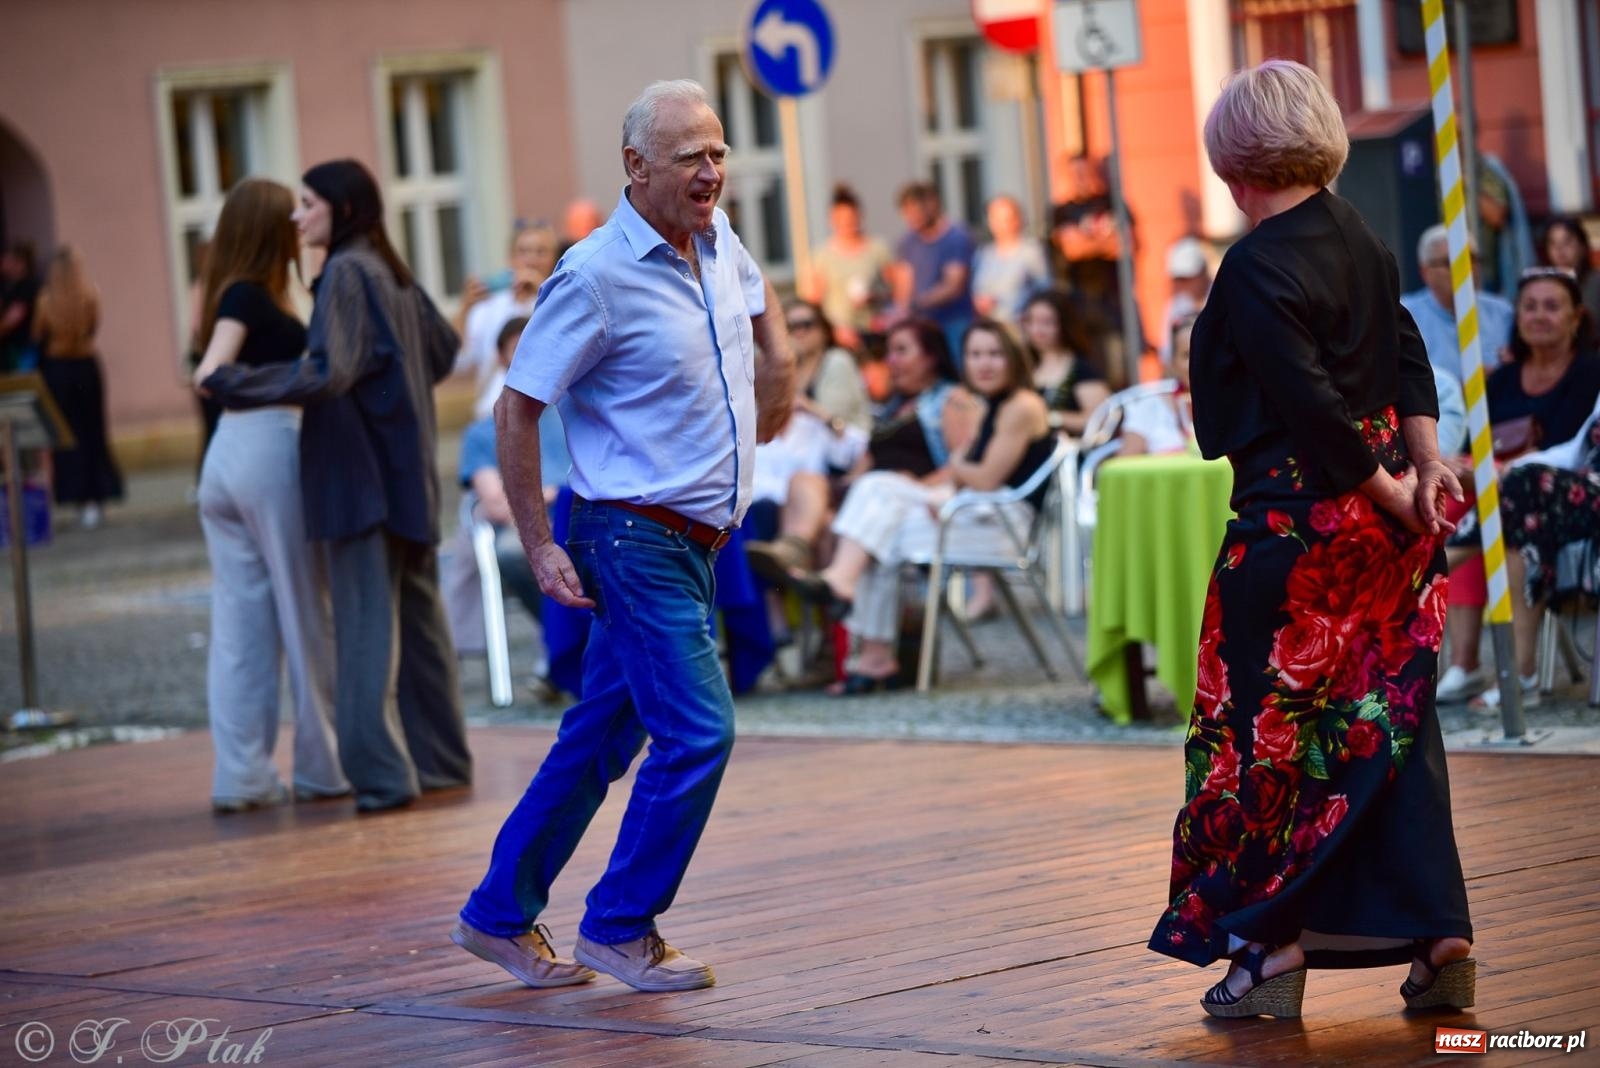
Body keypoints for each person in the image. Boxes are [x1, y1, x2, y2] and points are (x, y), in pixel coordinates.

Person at [453, 80, 795, 994]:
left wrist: (785, 368)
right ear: (636, 167)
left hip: (697, 544)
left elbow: (761, 309)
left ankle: (496, 913)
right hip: (629, 538)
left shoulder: (722, 243)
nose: (711, 170)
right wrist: (540, 543)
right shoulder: (596, 272)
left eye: (719, 151)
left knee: (600, 739)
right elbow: (518, 407)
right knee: (697, 731)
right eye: (690, 155)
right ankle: (619, 927)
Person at [1149, 59, 1474, 1020]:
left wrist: (1383, 487)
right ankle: (1443, 943)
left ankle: (1272, 957)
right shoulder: (1362, 234)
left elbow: (1311, 409)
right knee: (1396, 733)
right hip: (1387, 534)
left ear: (1232, 158)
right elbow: (1406, 352)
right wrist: (1421, 469)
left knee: (1271, 742)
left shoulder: (1255, 262)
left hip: (1297, 535)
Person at [202, 159, 471, 814]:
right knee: (419, 628)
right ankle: (441, 763)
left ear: (342, 212)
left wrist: (235, 384)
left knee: (362, 632)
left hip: (360, 480)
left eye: (310, 204)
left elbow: (327, 372)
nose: (298, 217)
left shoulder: (347, 273)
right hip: (406, 474)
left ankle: (379, 778)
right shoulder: (391, 270)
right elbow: (442, 351)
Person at [188, 178, 347, 813]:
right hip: (267, 449)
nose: (298, 222)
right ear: (268, 229)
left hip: (226, 458)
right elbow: (209, 373)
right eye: (290, 215)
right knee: (305, 612)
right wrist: (303, 379)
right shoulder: (250, 296)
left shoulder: (242, 291)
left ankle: (242, 776)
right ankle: (322, 767)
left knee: (239, 627)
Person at [774, 319, 1007, 692]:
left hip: (930, 502)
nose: (892, 361)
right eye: (890, 352)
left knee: (872, 503)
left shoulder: (951, 399)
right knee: (843, 514)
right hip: (885, 505)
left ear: (931, 357)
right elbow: (860, 468)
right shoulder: (893, 406)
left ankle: (843, 612)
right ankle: (863, 654)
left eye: (902, 350)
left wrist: (910, 483)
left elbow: (961, 466)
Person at [1440, 267, 1600, 707]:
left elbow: (1572, 448)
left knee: (1515, 504)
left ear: (1575, 316)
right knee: (1459, 494)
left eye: (1552, 306)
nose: (1539, 316)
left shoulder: (1590, 371)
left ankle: (1434, 563)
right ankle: (1465, 663)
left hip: (1564, 496)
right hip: (1511, 492)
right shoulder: (1501, 378)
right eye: (1530, 306)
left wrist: (1499, 469)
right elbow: (1478, 445)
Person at [34, 246, 122, 528]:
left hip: (59, 369)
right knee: (93, 431)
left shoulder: (47, 301)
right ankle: (98, 495)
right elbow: (94, 326)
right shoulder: (89, 295)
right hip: (86, 366)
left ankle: (77, 497)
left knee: (67, 435)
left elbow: (38, 333)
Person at [454, 220, 560, 421]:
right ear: (511, 258)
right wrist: (465, 308)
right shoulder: (489, 306)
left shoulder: (559, 303)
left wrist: (542, 292)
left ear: (554, 259)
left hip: (547, 419)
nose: (531, 260)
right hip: (491, 416)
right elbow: (459, 361)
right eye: (524, 252)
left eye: (541, 252)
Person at [1400, 224, 1515, 389]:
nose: (1466, 269)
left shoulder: (1502, 312)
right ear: (1426, 272)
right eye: (1450, 262)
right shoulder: (1405, 314)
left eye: (1472, 259)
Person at [892, 181, 975, 359]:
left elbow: (953, 285)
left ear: (932, 204)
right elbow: (904, 282)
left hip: (954, 321)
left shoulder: (956, 237)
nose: (911, 218)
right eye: (907, 213)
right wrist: (901, 310)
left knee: (960, 365)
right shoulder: (908, 241)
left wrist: (917, 304)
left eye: (915, 211)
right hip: (922, 324)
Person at [803, 183, 891, 350]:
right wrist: (835, 329)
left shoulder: (877, 249)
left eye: (851, 218)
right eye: (841, 220)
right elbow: (813, 303)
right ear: (832, 220)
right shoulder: (821, 256)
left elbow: (894, 290)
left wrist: (876, 299)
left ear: (859, 216)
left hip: (873, 331)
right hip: (840, 336)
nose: (847, 224)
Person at [1020, 289, 1109, 437]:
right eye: (1031, 321)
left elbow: (1101, 419)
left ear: (1064, 324)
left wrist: (1053, 418)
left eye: (1047, 322)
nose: (1037, 330)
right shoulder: (1023, 366)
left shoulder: (1082, 369)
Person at [1119, 315, 1196, 457]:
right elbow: (1125, 462)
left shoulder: (1232, 403)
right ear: (1172, 363)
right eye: (1187, 355)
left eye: (1204, 352)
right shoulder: (1150, 406)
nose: (1196, 362)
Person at [972, 194, 1050, 327]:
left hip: (1020, 328)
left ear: (1017, 220)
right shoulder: (983, 254)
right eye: (994, 218)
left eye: (1005, 219)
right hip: (991, 328)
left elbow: (1045, 290)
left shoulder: (1031, 252)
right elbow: (976, 290)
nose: (1000, 224)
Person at [1159, 237, 1210, 369]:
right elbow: (1166, 353)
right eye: (1179, 279)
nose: (1183, 284)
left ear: (1203, 271)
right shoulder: (1176, 306)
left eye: (1188, 278)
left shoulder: (1225, 294)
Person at [1540, 216, 1600, 324]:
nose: (1560, 250)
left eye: (1567, 242)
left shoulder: (1596, 281)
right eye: (1553, 243)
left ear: (1583, 246)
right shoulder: (1540, 286)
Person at [1, 240, 40, 372]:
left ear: (21, 264)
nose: (4, 261)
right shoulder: (11, 286)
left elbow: (11, 321)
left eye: (9, 258)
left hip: (24, 352)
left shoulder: (27, 287)